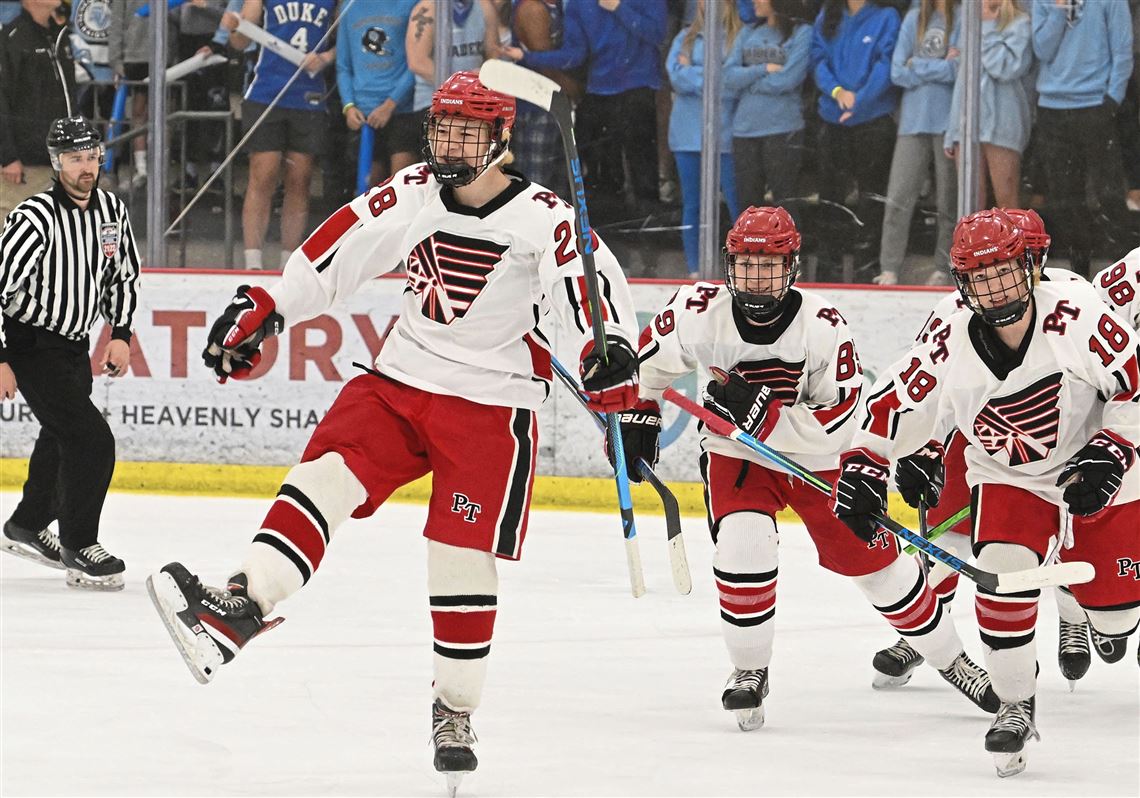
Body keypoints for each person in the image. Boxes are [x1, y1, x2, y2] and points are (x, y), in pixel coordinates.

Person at [146, 72, 640, 784]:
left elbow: (589, 294)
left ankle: (456, 707)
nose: (448, 142)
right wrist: (274, 305)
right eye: (442, 127)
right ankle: (238, 610)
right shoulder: (413, 192)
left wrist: (610, 350)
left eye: (467, 130)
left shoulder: (546, 219)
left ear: (502, 139)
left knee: (458, 556)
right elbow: (336, 251)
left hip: (492, 409)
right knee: (321, 478)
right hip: (401, 382)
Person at [617, 205, 996, 732]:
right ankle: (749, 670)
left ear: (792, 266)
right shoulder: (697, 308)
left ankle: (954, 661)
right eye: (745, 264)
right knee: (743, 542)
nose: (755, 276)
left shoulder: (822, 326)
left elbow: (839, 426)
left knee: (880, 571)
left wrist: (764, 417)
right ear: (729, 265)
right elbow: (648, 365)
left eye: (768, 264)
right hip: (738, 455)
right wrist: (642, 410)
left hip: (821, 462)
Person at [833, 208, 1140, 776]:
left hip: (1093, 470)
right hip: (1009, 476)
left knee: (1118, 621)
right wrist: (865, 463)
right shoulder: (948, 333)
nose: (994, 290)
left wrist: (1116, 450)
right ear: (961, 281)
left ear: (1033, 265)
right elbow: (899, 399)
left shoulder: (1078, 315)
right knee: (1000, 581)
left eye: (1004, 272)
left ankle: (1097, 608)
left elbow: (1132, 384)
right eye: (979, 277)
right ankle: (1016, 704)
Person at [866, 208, 1100, 691]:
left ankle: (1073, 612)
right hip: (980, 437)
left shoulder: (1075, 297)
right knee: (950, 533)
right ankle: (928, 627)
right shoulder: (960, 307)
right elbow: (939, 390)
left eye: (1028, 257)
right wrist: (926, 447)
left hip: (1066, 441)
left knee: (1068, 531)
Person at [0, 116, 139, 591]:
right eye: (74, 159)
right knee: (90, 441)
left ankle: (26, 522)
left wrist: (120, 332)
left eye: (91, 156)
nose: (85, 167)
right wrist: (1, 358)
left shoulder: (112, 212)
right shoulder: (33, 217)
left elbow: (122, 277)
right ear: (57, 163)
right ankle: (80, 544)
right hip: (29, 344)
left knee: (60, 437)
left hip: (74, 344)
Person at [502, 0, 668, 220]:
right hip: (597, 91)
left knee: (642, 170)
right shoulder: (579, 4)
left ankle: (647, 226)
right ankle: (605, 237)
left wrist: (619, 8)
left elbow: (659, 34)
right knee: (601, 176)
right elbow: (576, 53)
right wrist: (527, 58)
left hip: (638, 87)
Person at [227, 0, 335, 271]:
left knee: (300, 178)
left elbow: (348, 37)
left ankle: (290, 263)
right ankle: (253, 263)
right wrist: (233, 29)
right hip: (266, 91)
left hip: (308, 94)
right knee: (263, 174)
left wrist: (326, 58)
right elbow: (241, 40)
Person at [1031, 0, 1133, 276]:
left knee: (1107, 192)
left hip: (1095, 104)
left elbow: (1123, 49)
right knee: (1065, 197)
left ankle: (1126, 273)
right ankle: (1080, 271)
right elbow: (1042, 49)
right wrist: (1058, 10)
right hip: (1052, 107)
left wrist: (1112, 100)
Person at [810, 0, 900, 279]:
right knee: (830, 195)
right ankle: (828, 270)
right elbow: (817, 58)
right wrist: (837, 92)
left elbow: (886, 64)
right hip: (832, 116)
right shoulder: (828, 15)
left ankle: (866, 269)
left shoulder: (887, 17)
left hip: (872, 118)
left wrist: (859, 102)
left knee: (870, 196)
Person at [876, 0, 958, 286]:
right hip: (912, 121)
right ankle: (889, 267)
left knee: (949, 200)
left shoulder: (960, 16)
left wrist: (918, 65)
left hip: (949, 121)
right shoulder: (913, 18)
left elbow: (958, 71)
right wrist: (938, 65)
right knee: (898, 197)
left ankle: (944, 267)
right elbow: (897, 71)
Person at [665, 0, 741, 275]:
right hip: (686, 134)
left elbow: (731, 82)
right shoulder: (684, 37)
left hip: (725, 135)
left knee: (736, 205)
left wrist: (693, 72)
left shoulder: (738, 36)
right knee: (693, 205)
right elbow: (675, 75)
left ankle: (742, 265)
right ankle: (695, 270)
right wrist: (710, 75)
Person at [723, 0, 812, 222]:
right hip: (744, 130)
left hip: (782, 128)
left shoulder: (802, 32)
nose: (754, 1)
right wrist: (763, 69)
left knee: (784, 202)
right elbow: (728, 76)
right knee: (748, 206)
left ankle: (789, 257)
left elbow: (789, 79)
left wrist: (749, 83)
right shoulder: (748, 32)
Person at [943, 0, 1032, 211]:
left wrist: (988, 27)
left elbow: (1004, 68)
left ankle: (1013, 245)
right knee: (971, 205)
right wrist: (952, 130)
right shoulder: (968, 23)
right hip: (967, 126)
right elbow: (962, 81)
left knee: (1006, 199)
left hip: (1002, 123)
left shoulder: (1020, 23)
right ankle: (979, 246)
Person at [0, 0, 76, 222]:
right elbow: (2, 99)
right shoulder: (13, 38)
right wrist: (8, 156)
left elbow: (69, 95)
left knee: (55, 236)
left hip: (60, 158)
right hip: (26, 162)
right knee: (16, 233)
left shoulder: (59, 36)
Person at [336, 0, 420, 189]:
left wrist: (391, 104)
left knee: (401, 187)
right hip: (363, 114)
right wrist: (348, 106)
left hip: (402, 111)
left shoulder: (411, 4)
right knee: (368, 191)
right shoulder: (349, 7)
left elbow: (416, 62)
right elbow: (343, 65)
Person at [406, 0, 499, 115]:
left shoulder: (485, 7)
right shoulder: (427, 9)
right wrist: (463, 85)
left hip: (475, 101)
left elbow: (493, 54)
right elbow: (417, 62)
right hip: (433, 101)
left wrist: (485, 74)